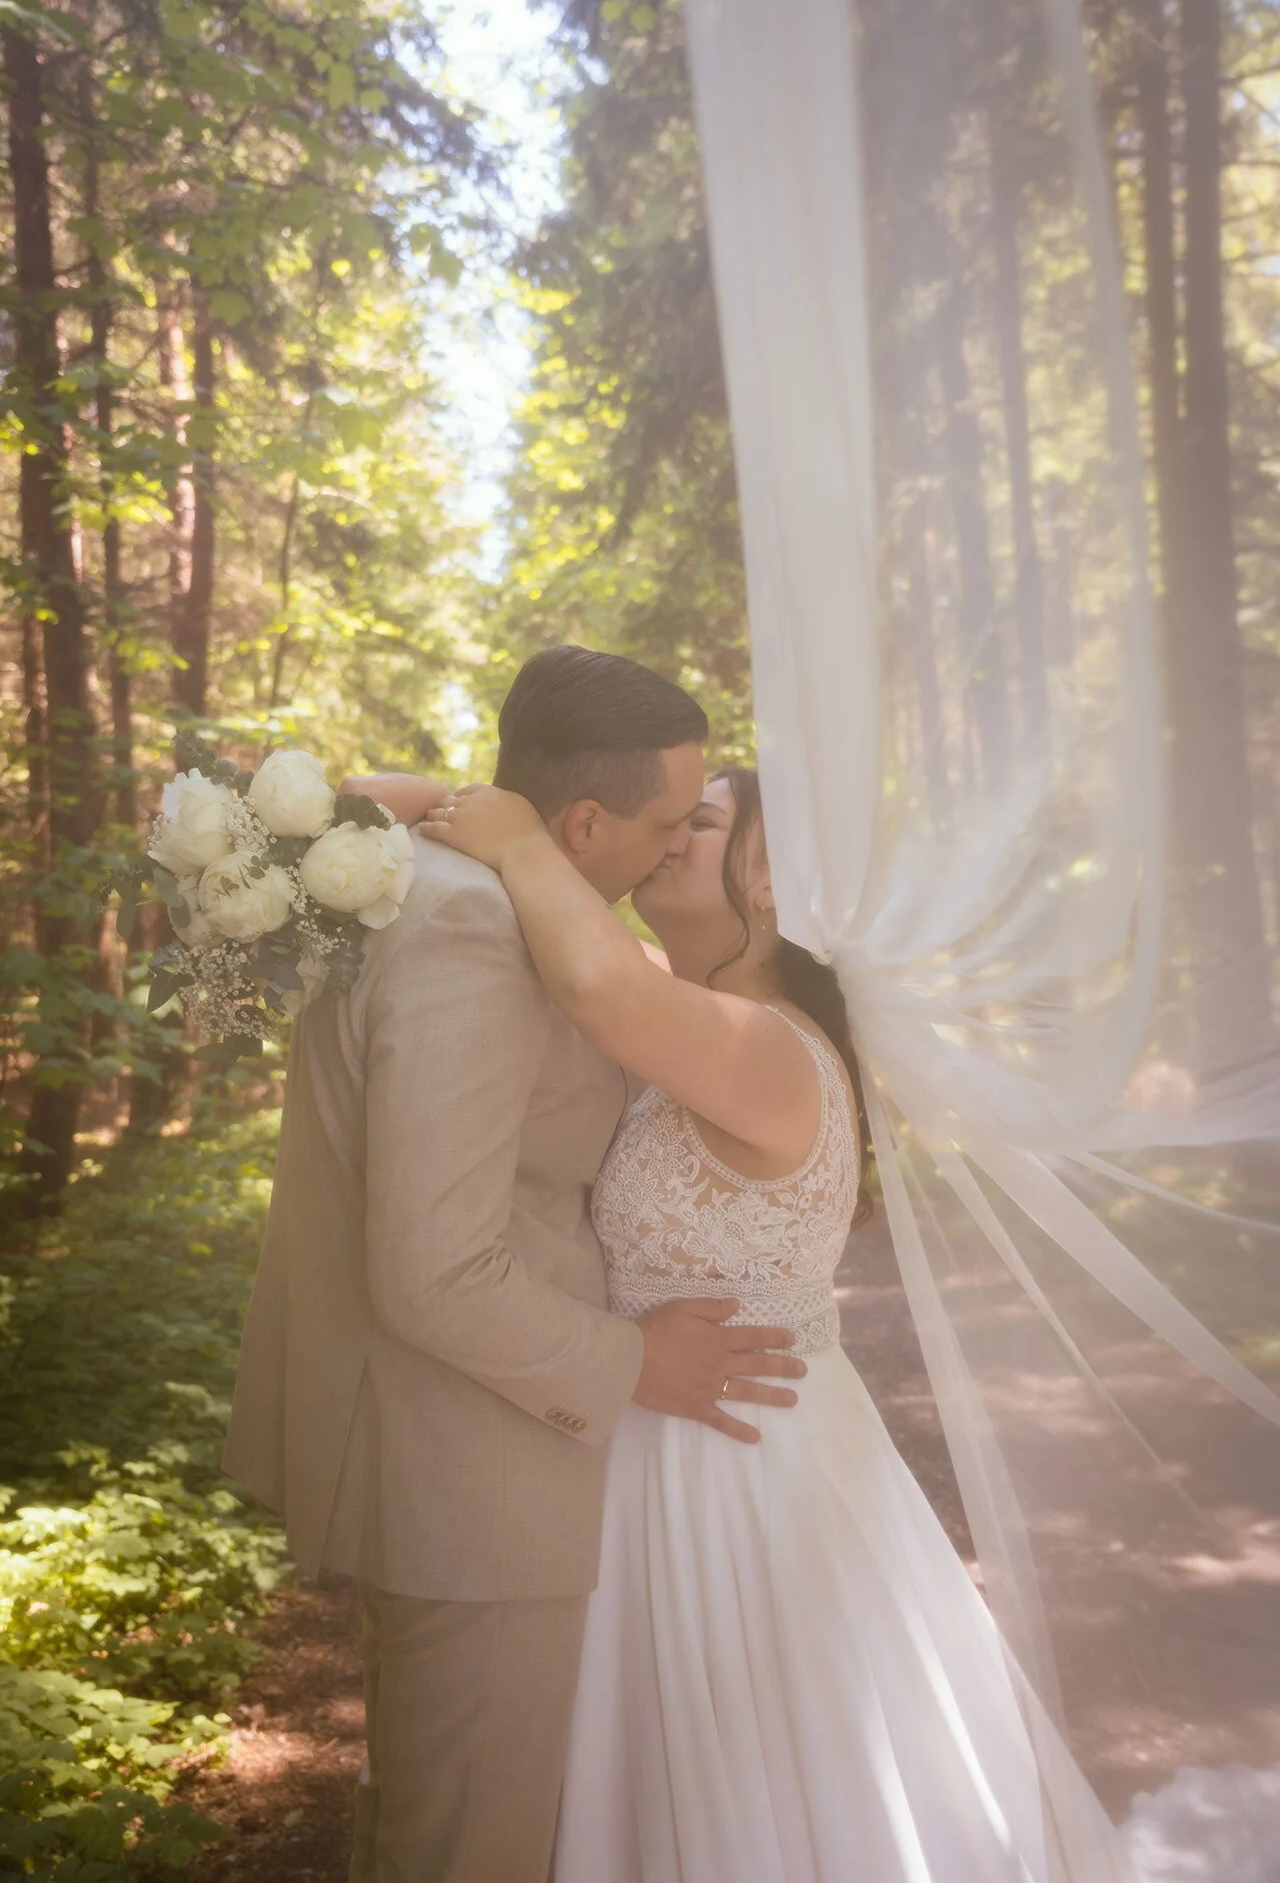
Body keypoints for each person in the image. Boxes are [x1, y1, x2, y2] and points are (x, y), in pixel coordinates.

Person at [384, 759, 1143, 1883]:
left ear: (784, 885)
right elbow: (404, 820)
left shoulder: (762, 1045)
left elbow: (595, 989)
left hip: (737, 1468)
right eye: (667, 820)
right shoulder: (683, 1005)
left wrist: (521, 841)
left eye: (701, 823)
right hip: (647, 1440)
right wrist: (424, 800)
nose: (670, 836)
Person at [221, 648, 806, 1883]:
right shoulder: (475, 932)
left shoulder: (417, 883)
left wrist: (468, 811)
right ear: (582, 818)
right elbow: (435, 1271)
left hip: (457, 1449)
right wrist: (631, 1362)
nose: (668, 848)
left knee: (433, 1822)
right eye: (664, 822)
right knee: (465, 1845)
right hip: (471, 1468)